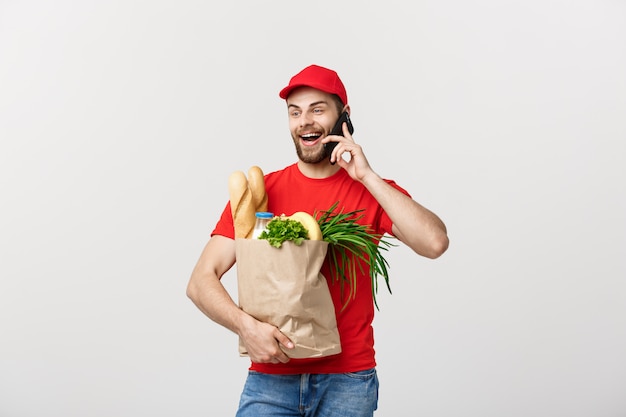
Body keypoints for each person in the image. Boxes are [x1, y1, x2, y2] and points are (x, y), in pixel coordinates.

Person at [186, 64, 449, 416]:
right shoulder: (262, 193)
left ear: (344, 116)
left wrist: (366, 175)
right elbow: (200, 281)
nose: (304, 122)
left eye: (317, 109)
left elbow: (434, 242)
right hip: (271, 379)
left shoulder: (370, 191)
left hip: (348, 381)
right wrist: (246, 327)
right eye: (295, 112)